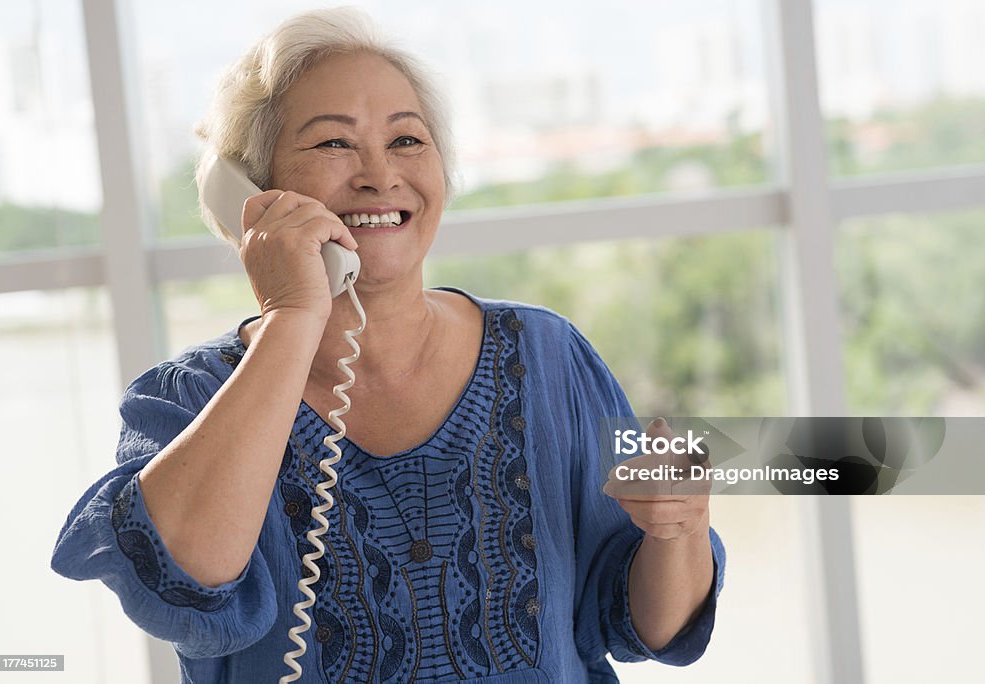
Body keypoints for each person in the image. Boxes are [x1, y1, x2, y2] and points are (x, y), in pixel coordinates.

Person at [52, 8, 725, 683]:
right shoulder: (183, 400)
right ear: (251, 195)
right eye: (333, 145)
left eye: (407, 140)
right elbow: (184, 586)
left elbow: (648, 625)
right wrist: (293, 312)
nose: (380, 175)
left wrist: (680, 530)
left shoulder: (548, 354)